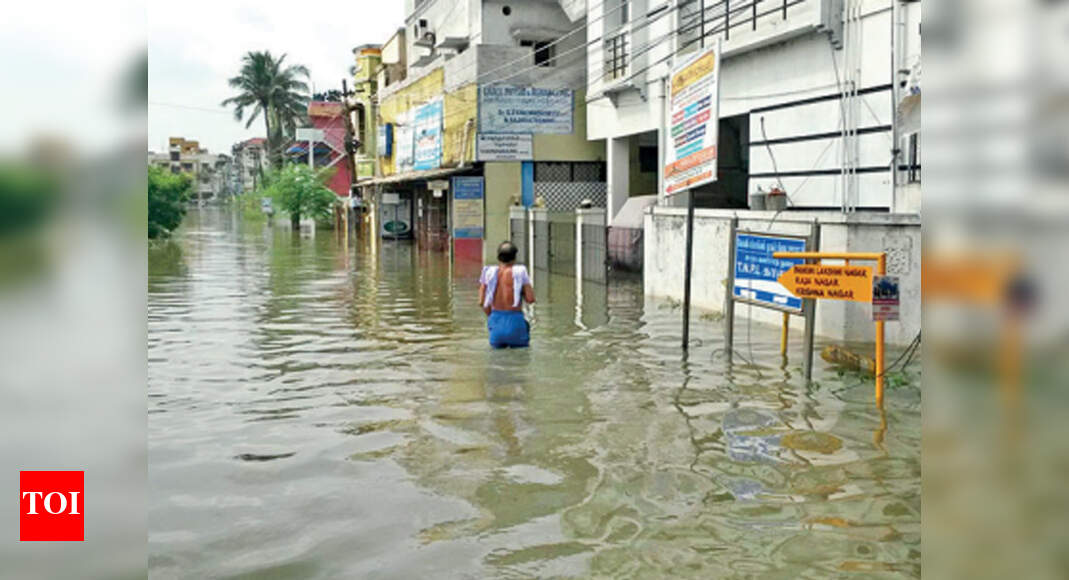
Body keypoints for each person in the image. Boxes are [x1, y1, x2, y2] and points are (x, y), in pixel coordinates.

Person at [479, 241, 535, 348]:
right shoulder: (520, 272)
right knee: (520, 359)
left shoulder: (488, 272)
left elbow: (482, 302)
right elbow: (530, 299)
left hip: (496, 320)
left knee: (496, 361)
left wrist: (492, 318)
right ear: (514, 258)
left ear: (498, 257)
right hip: (515, 321)